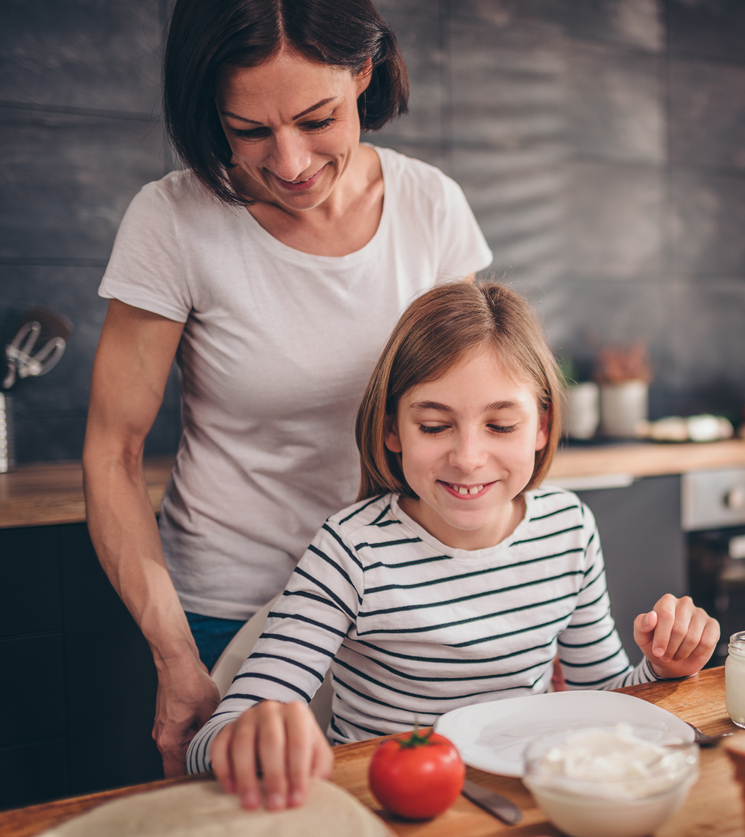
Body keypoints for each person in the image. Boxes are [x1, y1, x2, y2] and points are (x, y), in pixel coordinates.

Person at [82, 0, 492, 778]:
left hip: (394, 597)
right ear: (211, 108)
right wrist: (173, 652)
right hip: (225, 607)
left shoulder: (431, 207)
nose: (292, 161)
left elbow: (464, 418)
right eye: (250, 132)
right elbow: (112, 450)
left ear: (362, 73)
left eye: (317, 118)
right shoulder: (172, 220)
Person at [184, 283, 720, 810]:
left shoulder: (568, 528)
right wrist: (247, 736)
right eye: (436, 425)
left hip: (522, 807)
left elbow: (600, 700)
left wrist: (662, 669)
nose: (468, 456)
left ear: (541, 426)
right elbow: (209, 745)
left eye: (501, 424)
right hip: (388, 811)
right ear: (393, 429)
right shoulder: (351, 550)